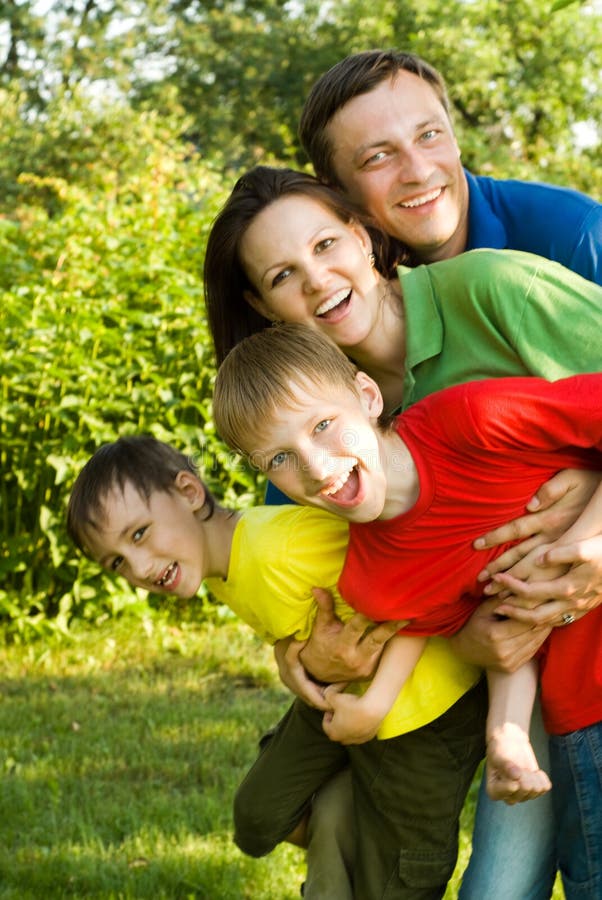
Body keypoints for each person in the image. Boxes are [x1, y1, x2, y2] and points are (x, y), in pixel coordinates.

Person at [202, 164, 602, 898]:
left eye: (327, 245)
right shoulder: (306, 446)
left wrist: (594, 509)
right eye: (285, 274)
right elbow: (395, 606)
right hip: (533, 674)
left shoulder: (481, 338)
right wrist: (310, 661)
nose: (318, 281)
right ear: (261, 305)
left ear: (364, 235)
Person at [297, 49, 602, 898]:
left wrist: (597, 511)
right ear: (344, 202)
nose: (419, 169)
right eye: (377, 156)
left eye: (430, 135)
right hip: (502, 641)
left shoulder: (567, 241)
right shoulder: (339, 322)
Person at [66, 434, 487, 900]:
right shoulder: (222, 565)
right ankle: (344, 806)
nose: (140, 568)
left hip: (424, 712)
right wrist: (289, 659)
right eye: (117, 562)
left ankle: (358, 824)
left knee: (398, 883)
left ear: (189, 492)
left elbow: (418, 566)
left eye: (140, 534)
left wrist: (377, 697)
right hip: (340, 696)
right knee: (258, 817)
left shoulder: (279, 546)